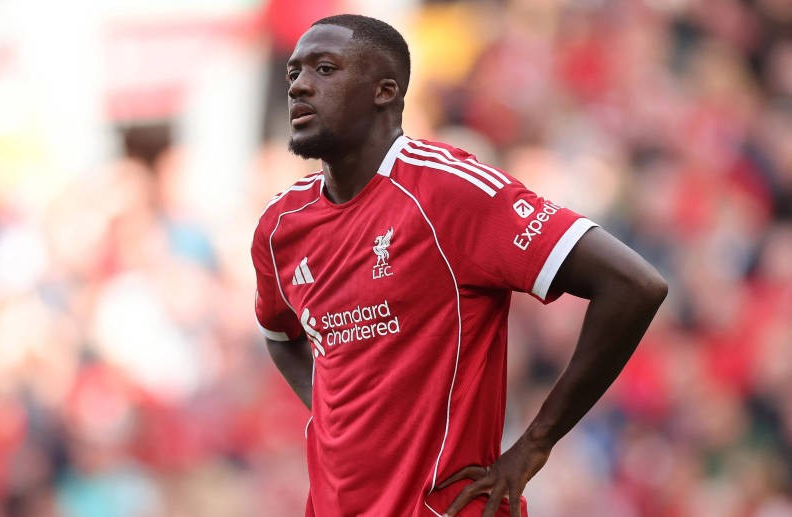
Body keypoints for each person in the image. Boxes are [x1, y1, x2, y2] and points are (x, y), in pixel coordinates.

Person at [251, 14, 668, 517]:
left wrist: (535, 444)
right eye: (294, 72)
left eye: (324, 69)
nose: (299, 86)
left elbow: (634, 285)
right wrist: (334, 417)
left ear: (385, 91)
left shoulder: (451, 191)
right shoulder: (281, 225)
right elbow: (281, 336)